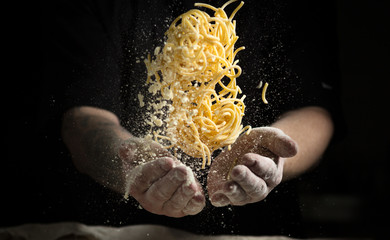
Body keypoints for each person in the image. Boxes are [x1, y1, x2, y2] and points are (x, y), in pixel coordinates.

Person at [38, 0, 341, 237]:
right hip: (115, 229)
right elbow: (82, 116)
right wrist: (128, 166)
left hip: (257, 229)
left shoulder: (289, 6)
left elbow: (314, 110)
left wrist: (268, 155)